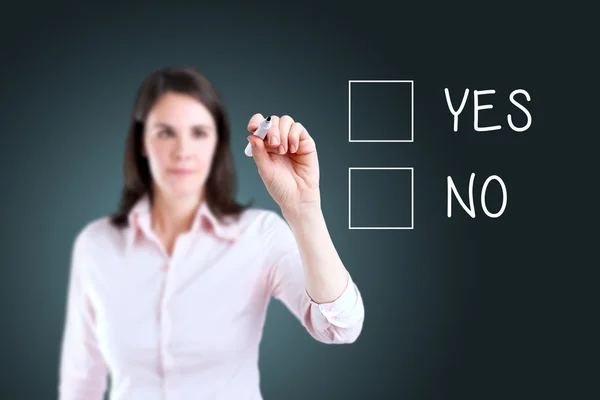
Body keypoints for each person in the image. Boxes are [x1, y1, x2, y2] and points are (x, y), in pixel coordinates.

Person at [58, 67, 365, 400]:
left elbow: (340, 327)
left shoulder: (259, 235)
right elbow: (81, 381)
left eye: (199, 132)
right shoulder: (96, 244)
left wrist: (303, 210)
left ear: (218, 142)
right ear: (142, 141)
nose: (182, 150)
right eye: (165, 132)